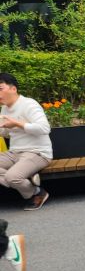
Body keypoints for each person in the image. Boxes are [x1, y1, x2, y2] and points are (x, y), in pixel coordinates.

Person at [0, 73, 52, 209]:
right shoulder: (4, 108)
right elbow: (7, 133)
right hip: (15, 152)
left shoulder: (29, 104)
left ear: (13, 89)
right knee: (12, 176)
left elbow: (44, 128)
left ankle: (37, 193)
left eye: (0, 89)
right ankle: (31, 184)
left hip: (37, 152)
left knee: (12, 177)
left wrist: (17, 123)